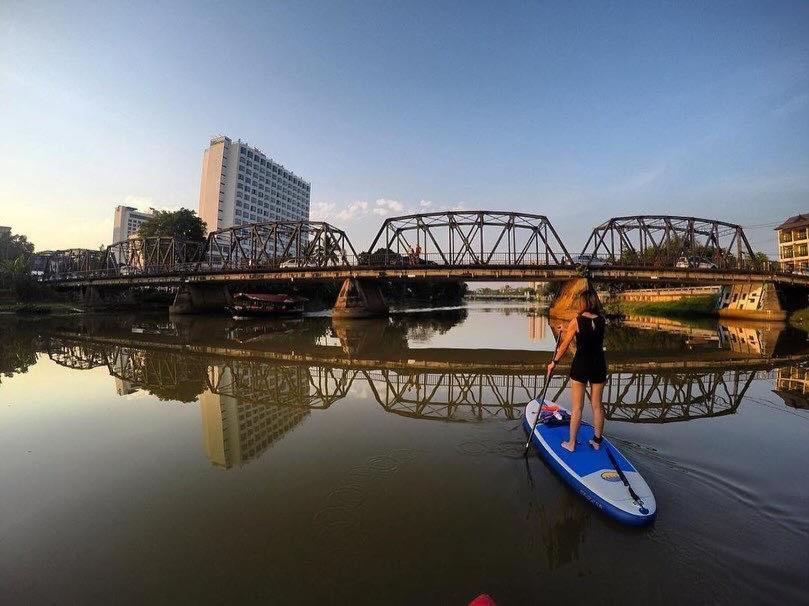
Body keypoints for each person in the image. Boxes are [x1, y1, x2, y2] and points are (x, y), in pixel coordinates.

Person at [546, 288, 607, 452]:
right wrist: (564, 330)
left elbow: (565, 345)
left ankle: (571, 444)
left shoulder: (577, 320)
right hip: (599, 365)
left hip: (581, 364)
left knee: (577, 407)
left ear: (582, 303)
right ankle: (596, 441)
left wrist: (554, 362)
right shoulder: (602, 320)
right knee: (597, 406)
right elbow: (590, 334)